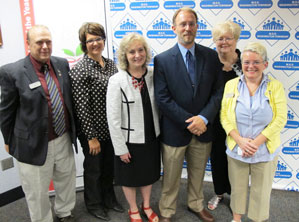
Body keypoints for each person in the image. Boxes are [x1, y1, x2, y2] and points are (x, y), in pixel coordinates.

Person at [0, 25, 77, 222]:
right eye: (39, 42)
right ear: (28, 44)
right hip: (31, 143)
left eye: (48, 41)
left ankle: (64, 212)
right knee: (37, 190)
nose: (45, 46)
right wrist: (8, 140)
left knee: (66, 180)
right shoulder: (12, 71)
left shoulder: (61, 64)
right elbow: (6, 112)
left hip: (62, 137)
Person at [154, 7, 223, 222]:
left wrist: (203, 118)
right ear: (174, 28)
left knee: (198, 173)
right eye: (183, 24)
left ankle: (196, 204)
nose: (187, 28)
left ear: (197, 27)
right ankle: (166, 211)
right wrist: (190, 122)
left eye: (191, 24)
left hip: (203, 129)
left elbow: (218, 92)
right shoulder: (162, 60)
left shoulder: (211, 56)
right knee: (171, 177)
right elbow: (163, 98)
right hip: (175, 130)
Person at [220, 42, 287, 222]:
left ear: (265, 64)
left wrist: (255, 143)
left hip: (264, 150)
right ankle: (236, 218)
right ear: (241, 64)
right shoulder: (231, 85)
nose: (250, 66)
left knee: (261, 191)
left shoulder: (275, 87)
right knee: (237, 188)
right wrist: (240, 140)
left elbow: (280, 119)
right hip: (237, 148)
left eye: (256, 62)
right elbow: (224, 117)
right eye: (246, 62)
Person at [69, 22, 123, 221]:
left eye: (98, 38)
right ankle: (93, 204)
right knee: (94, 170)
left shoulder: (110, 64)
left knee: (110, 167)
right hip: (92, 131)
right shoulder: (80, 69)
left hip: (111, 129)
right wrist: (91, 137)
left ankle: (109, 199)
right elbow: (81, 108)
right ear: (84, 43)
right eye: (90, 40)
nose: (95, 43)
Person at [107, 33, 160, 222]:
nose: (137, 55)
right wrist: (120, 148)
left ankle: (146, 205)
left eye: (141, 50)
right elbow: (112, 119)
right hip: (129, 140)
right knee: (129, 177)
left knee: (148, 173)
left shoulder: (154, 75)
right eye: (132, 52)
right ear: (124, 55)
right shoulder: (117, 80)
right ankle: (133, 208)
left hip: (151, 136)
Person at [208, 20, 242, 211]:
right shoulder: (210, 62)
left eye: (228, 38)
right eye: (219, 39)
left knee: (238, 160)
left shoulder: (245, 61)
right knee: (218, 156)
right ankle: (219, 192)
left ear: (236, 39)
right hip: (216, 120)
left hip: (240, 121)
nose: (224, 42)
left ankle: (237, 196)